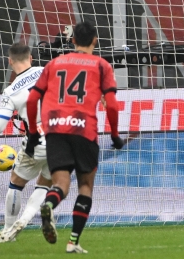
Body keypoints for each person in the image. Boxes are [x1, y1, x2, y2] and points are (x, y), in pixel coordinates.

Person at [26, 21, 124, 253]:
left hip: (56, 130)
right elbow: (112, 105)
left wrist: (32, 132)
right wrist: (115, 134)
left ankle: (49, 204)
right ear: (95, 40)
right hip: (84, 129)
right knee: (86, 186)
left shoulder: (54, 63)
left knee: (60, 184)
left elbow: (32, 100)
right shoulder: (102, 66)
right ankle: (73, 241)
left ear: (72, 41)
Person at [0, 43, 51, 243]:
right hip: (61, 135)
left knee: (16, 182)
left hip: (37, 139)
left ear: (9, 62)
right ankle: (39, 214)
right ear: (31, 58)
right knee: (45, 183)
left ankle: (8, 231)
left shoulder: (11, 91)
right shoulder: (47, 71)